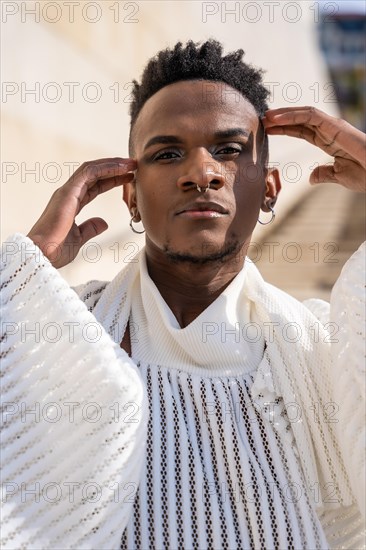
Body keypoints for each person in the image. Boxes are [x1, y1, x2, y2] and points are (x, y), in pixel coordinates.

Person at [1, 40, 365, 550]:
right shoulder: (61, 336)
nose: (201, 172)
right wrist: (24, 276)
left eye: (230, 150)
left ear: (270, 188)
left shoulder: (327, 354)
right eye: (167, 153)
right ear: (131, 194)